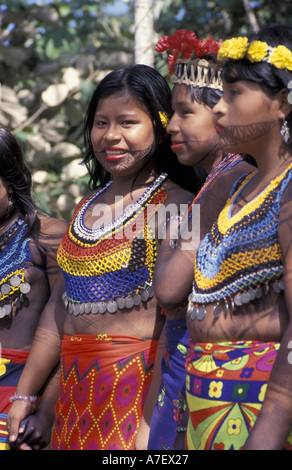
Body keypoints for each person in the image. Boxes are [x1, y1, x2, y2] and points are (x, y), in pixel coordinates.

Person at [7, 64, 201, 450]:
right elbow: (60, 312)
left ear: (161, 130)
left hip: (135, 389)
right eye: (100, 123)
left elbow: (174, 327)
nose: (111, 136)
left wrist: (153, 423)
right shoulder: (84, 208)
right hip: (73, 395)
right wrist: (26, 396)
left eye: (127, 122)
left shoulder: (180, 206)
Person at [136, 30, 255, 450]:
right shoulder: (215, 183)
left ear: (221, 112)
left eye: (186, 112)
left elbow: (168, 289)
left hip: (214, 370)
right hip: (187, 367)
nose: (171, 125)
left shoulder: (231, 180)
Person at [181, 24, 292, 450]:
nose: (219, 109)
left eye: (234, 93)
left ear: (282, 102)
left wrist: (265, 436)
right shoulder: (237, 189)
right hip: (206, 408)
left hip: (261, 411)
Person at [0, 127, 67, 450]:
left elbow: (66, 331)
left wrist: (46, 411)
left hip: (19, 398)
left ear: (10, 179)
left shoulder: (50, 237)